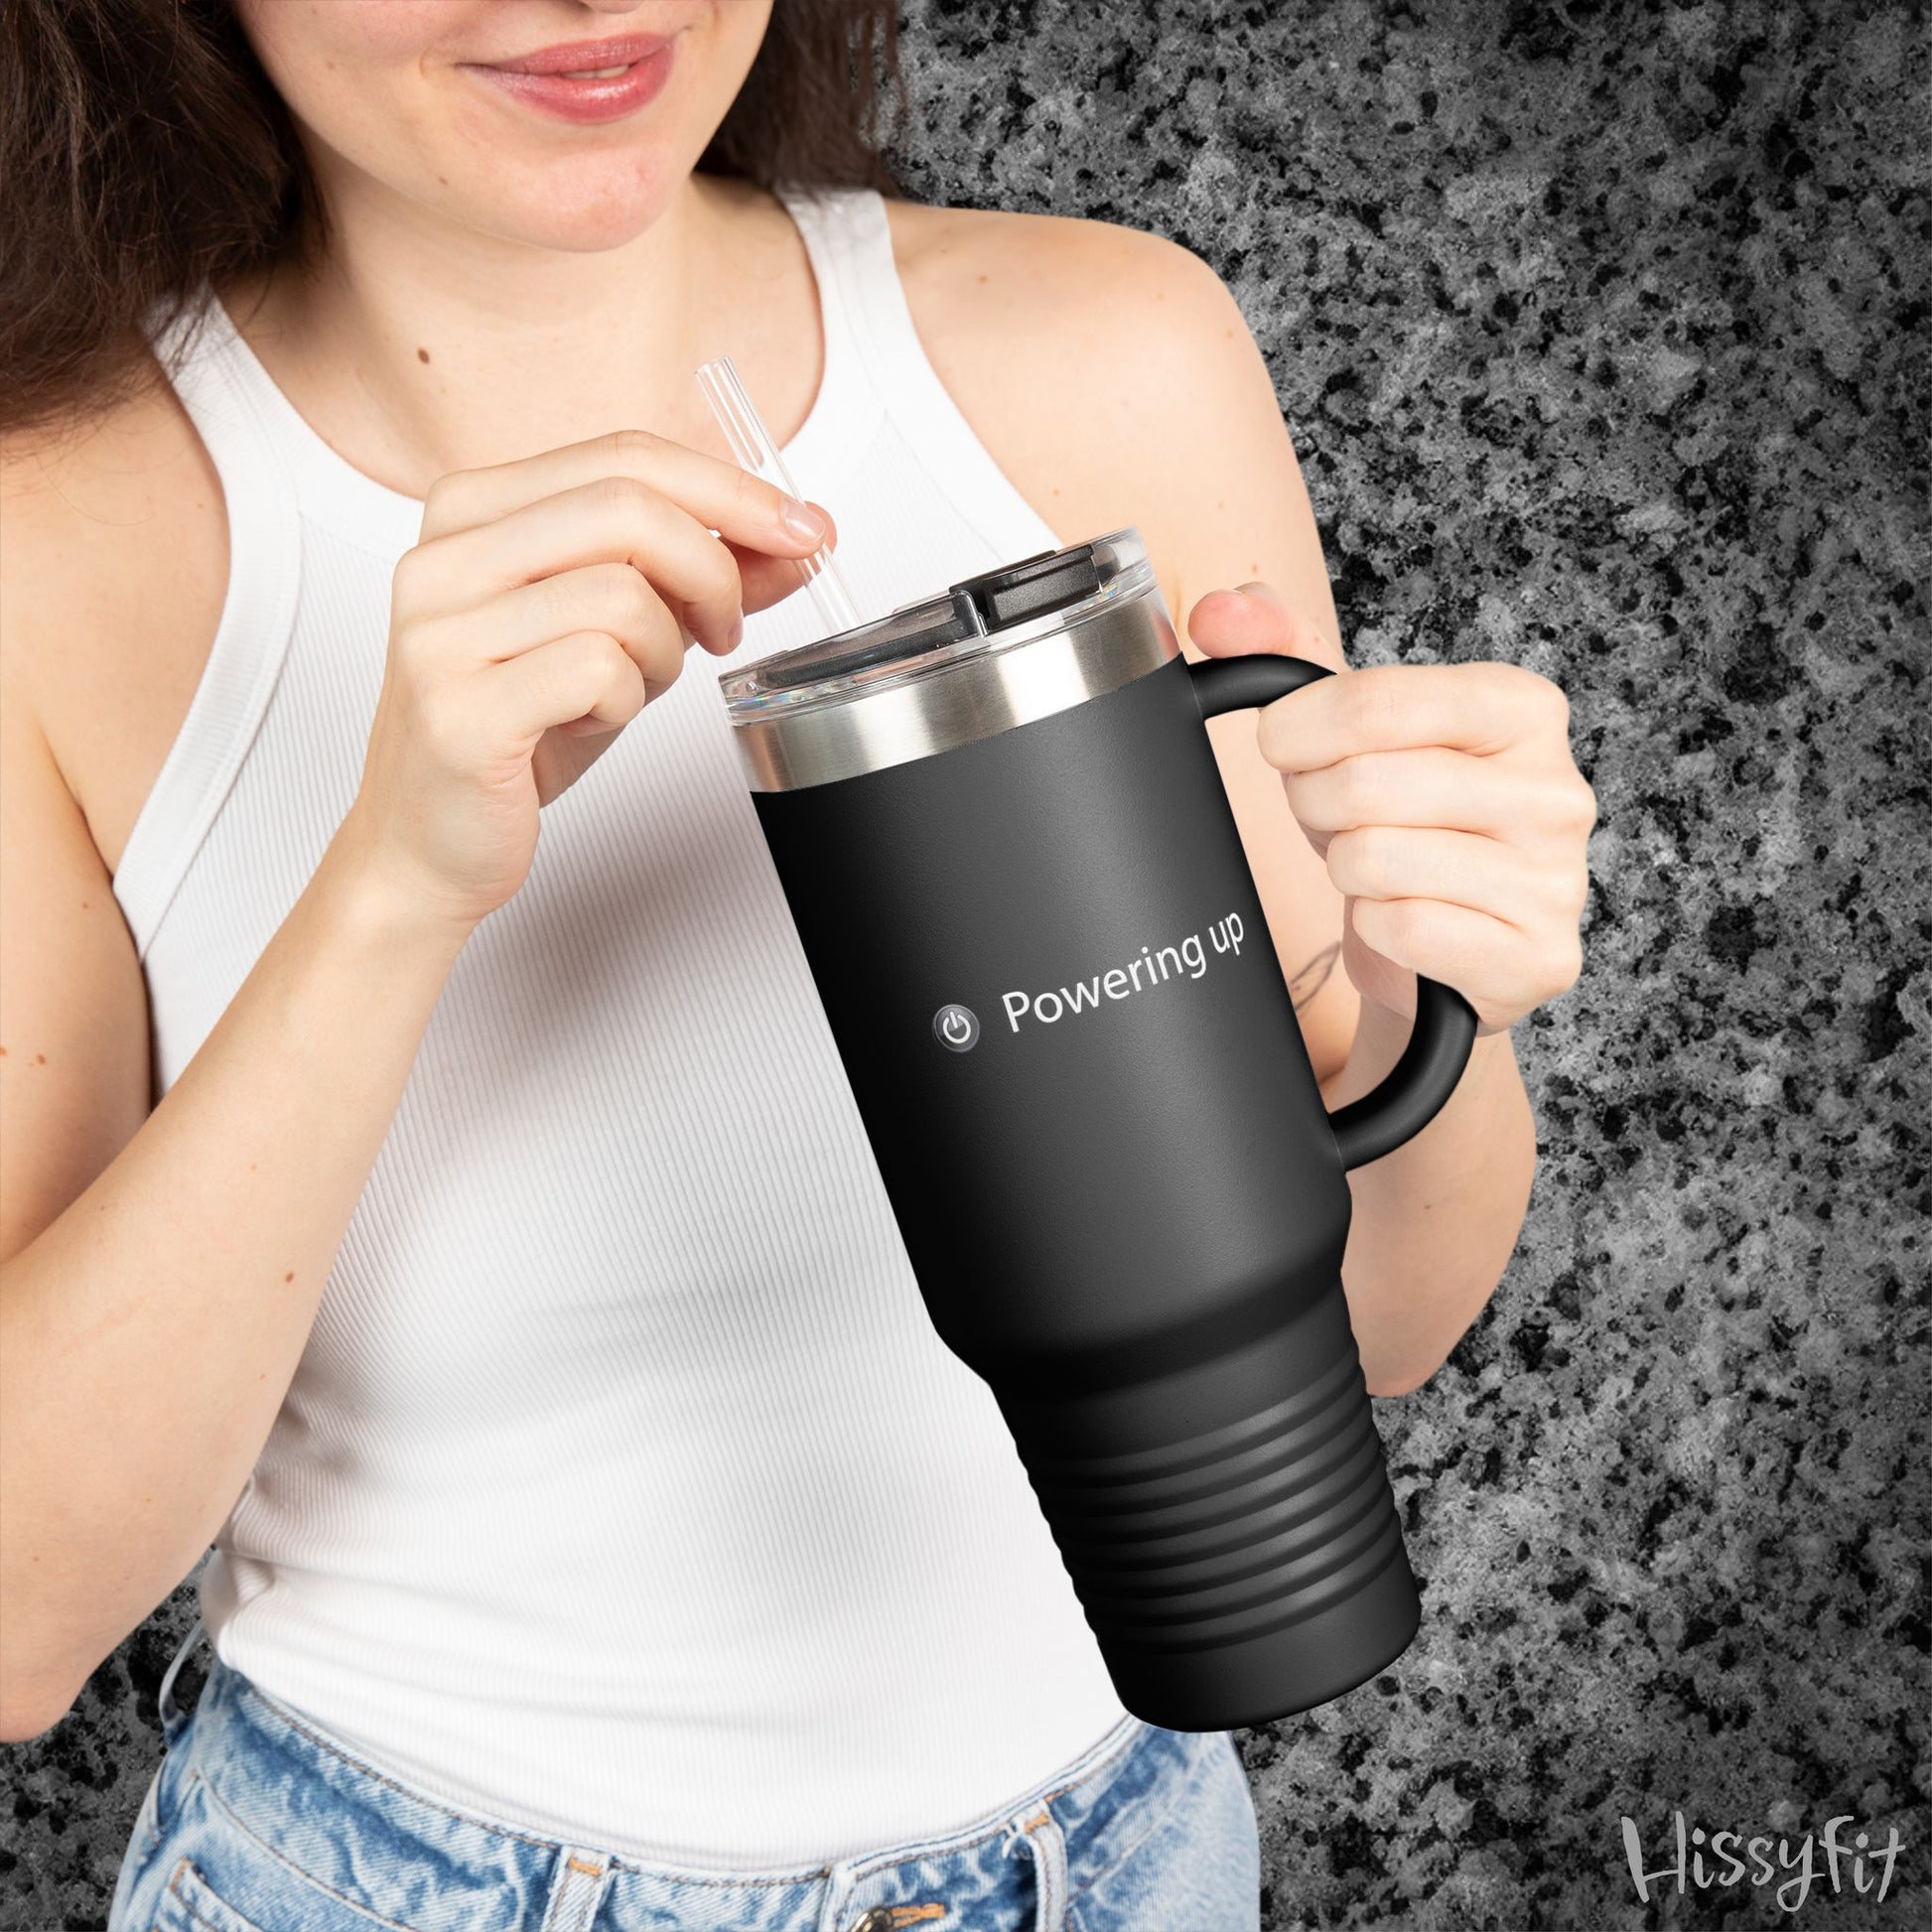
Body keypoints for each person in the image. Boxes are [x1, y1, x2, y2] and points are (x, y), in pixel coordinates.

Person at [0, 3, 1595, 1927]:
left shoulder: (1103, 357)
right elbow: (19, 1618)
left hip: (1124, 1857)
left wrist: (1413, 992)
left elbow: (1385, 1324)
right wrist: (391, 884)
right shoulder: (51, 539)